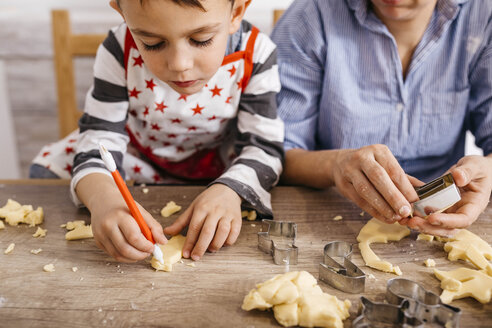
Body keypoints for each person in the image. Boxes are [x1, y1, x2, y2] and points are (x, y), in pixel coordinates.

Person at [30, 0, 284, 262]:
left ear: (236, 13)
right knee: (45, 173)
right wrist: (103, 199)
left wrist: (230, 191)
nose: (179, 64)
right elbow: (99, 138)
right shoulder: (118, 49)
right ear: (123, 15)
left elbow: (265, 147)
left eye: (201, 39)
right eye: (152, 43)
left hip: (220, 166)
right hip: (136, 155)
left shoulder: (258, 53)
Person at [272, 0, 492, 236]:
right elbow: (274, 153)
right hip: (332, 215)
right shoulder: (309, 17)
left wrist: (488, 168)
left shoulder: (483, 16)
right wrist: (335, 165)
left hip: (447, 218)